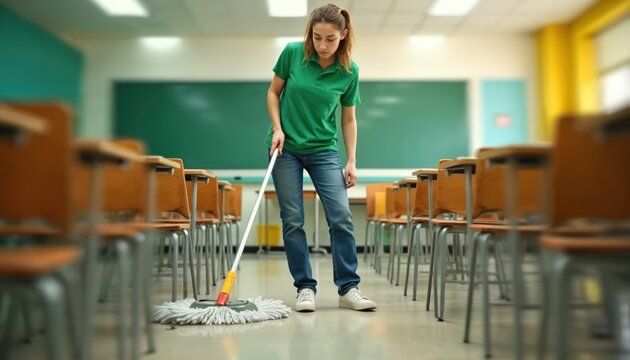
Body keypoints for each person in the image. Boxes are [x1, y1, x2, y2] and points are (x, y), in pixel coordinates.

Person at [265, 3, 377, 312]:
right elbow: (273, 93)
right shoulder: (292, 53)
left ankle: (348, 288)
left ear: (343, 35)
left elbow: (349, 119)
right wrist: (277, 128)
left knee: (340, 216)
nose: (322, 45)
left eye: (330, 39)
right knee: (292, 220)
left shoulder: (349, 71)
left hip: (324, 150)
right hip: (285, 149)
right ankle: (304, 288)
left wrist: (351, 160)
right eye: (316, 37)